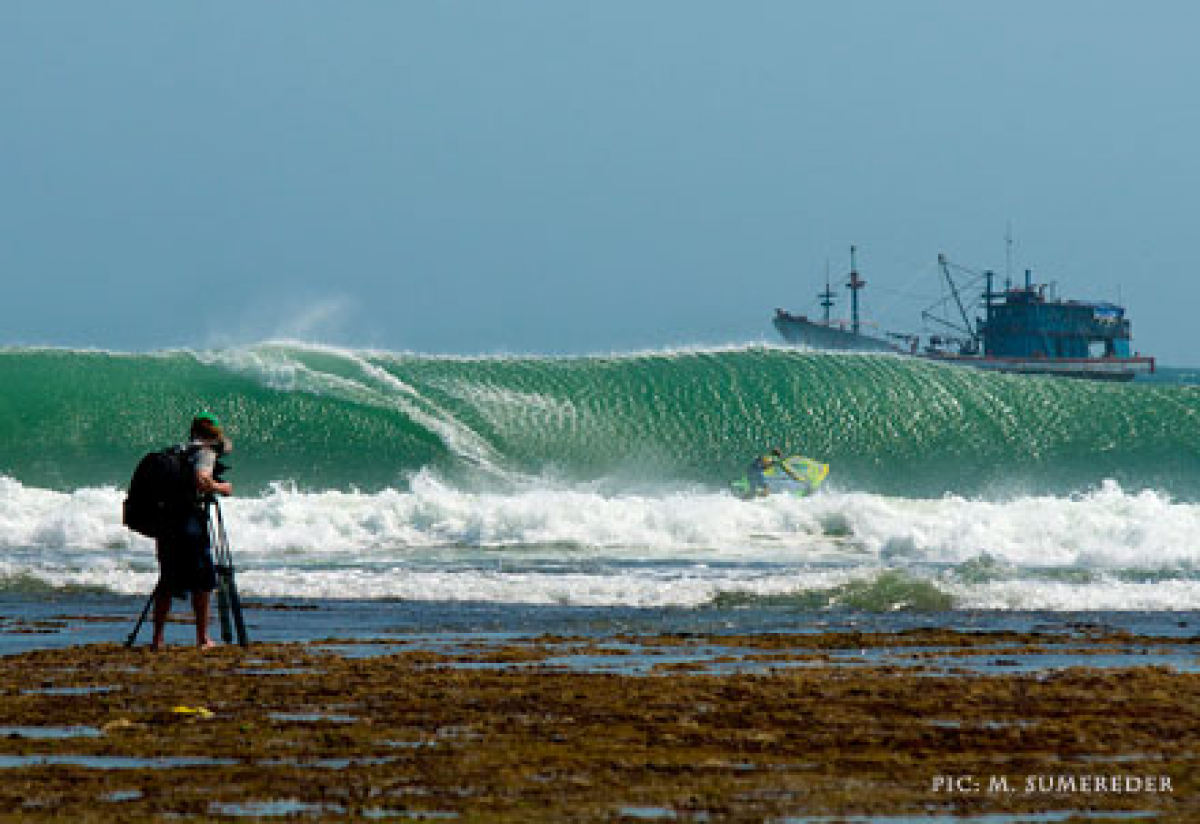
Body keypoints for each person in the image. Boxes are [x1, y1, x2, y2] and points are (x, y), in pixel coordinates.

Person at [150, 413, 234, 650]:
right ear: (214, 435)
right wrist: (223, 488)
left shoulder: (178, 451)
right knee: (202, 580)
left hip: (166, 521)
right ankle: (202, 638)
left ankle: (157, 638)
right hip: (190, 522)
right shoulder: (205, 453)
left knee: (167, 579)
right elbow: (201, 480)